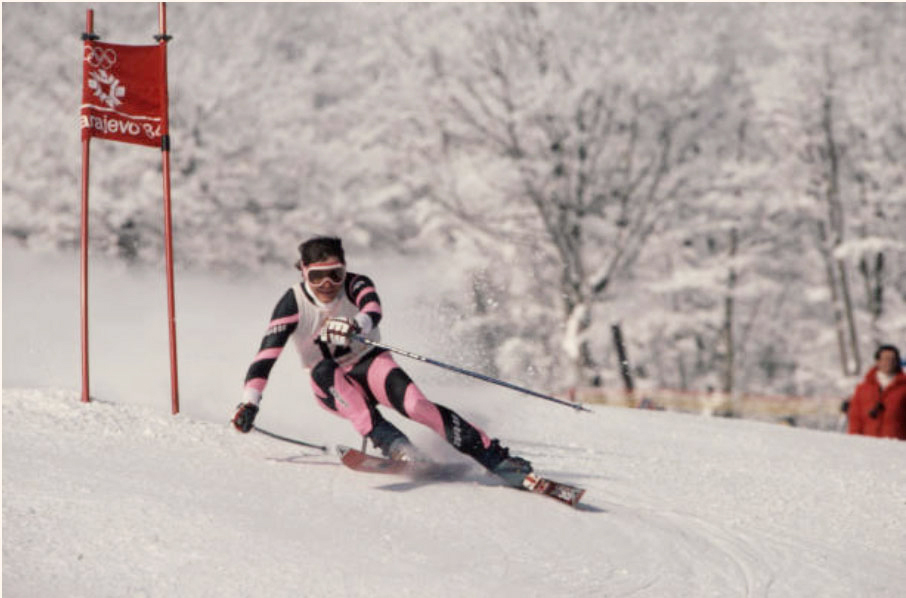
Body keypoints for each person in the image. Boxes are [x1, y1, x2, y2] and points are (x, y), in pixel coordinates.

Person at [231, 236, 533, 484]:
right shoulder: (292, 303)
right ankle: (396, 446)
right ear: (303, 272)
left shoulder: (356, 284)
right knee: (328, 374)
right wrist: (250, 402)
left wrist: (356, 325)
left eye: (335, 273)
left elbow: (373, 308)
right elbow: (266, 356)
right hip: (331, 383)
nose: (327, 284)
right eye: (317, 276)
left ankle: (497, 459)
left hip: (369, 363)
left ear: (344, 269)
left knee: (417, 406)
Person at [847, 344, 906, 440]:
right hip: (868, 445)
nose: (889, 362)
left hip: (897, 445)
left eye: (892, 359)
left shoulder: (904, 388)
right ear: (878, 361)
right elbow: (855, 418)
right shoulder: (863, 388)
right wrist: (854, 441)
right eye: (885, 359)